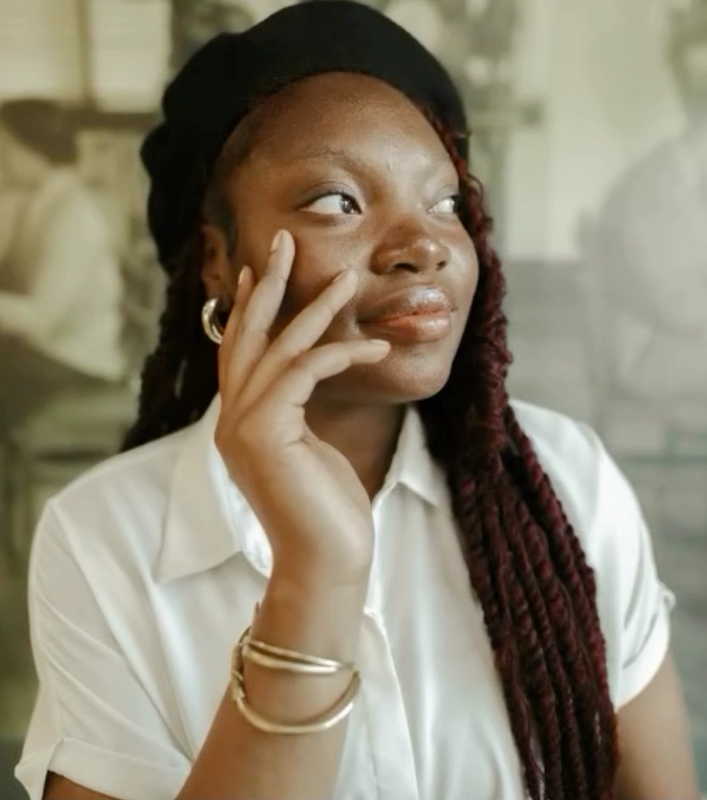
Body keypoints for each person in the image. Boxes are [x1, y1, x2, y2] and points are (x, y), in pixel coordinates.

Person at [14, 3, 700, 800]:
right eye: (337, 201)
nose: (425, 247)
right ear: (215, 259)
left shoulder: (565, 480)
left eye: (445, 203)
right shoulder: (106, 536)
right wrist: (315, 575)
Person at [0, 99, 126, 433]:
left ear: (33, 149)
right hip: (43, 351)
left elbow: (42, 319)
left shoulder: (74, 215)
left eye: (6, 148)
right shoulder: (34, 201)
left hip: (77, 358)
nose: (2, 158)